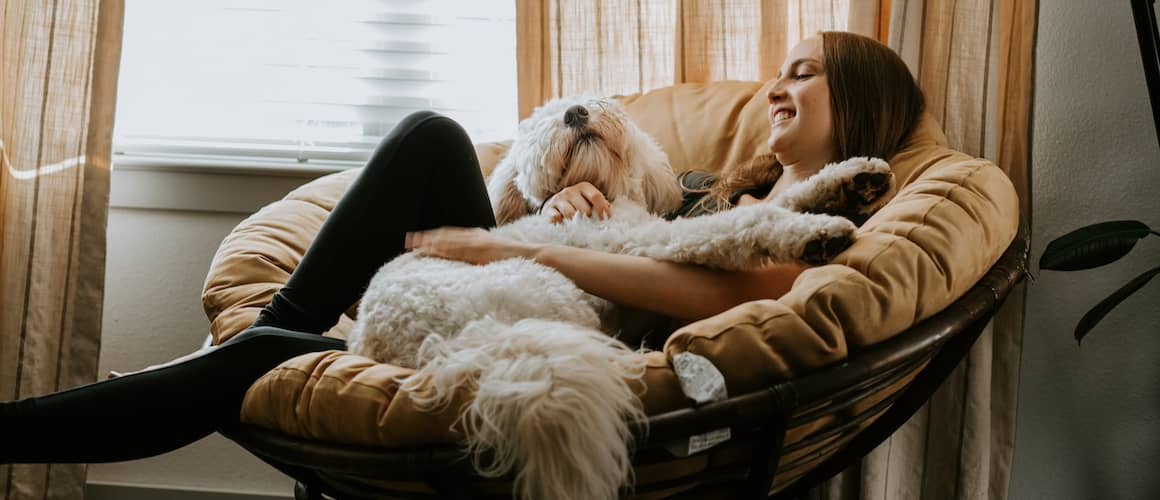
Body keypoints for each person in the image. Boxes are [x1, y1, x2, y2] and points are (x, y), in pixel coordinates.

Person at [0, 31, 924, 464]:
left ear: (863, 109)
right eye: (778, 72)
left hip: (549, 325)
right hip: (509, 291)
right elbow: (641, 227)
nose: (775, 87)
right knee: (433, 138)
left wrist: (524, 254)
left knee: (254, 363)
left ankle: (35, 427)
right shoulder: (714, 186)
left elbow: (716, 299)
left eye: (804, 75)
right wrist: (557, 214)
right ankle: (271, 332)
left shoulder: (828, 213)